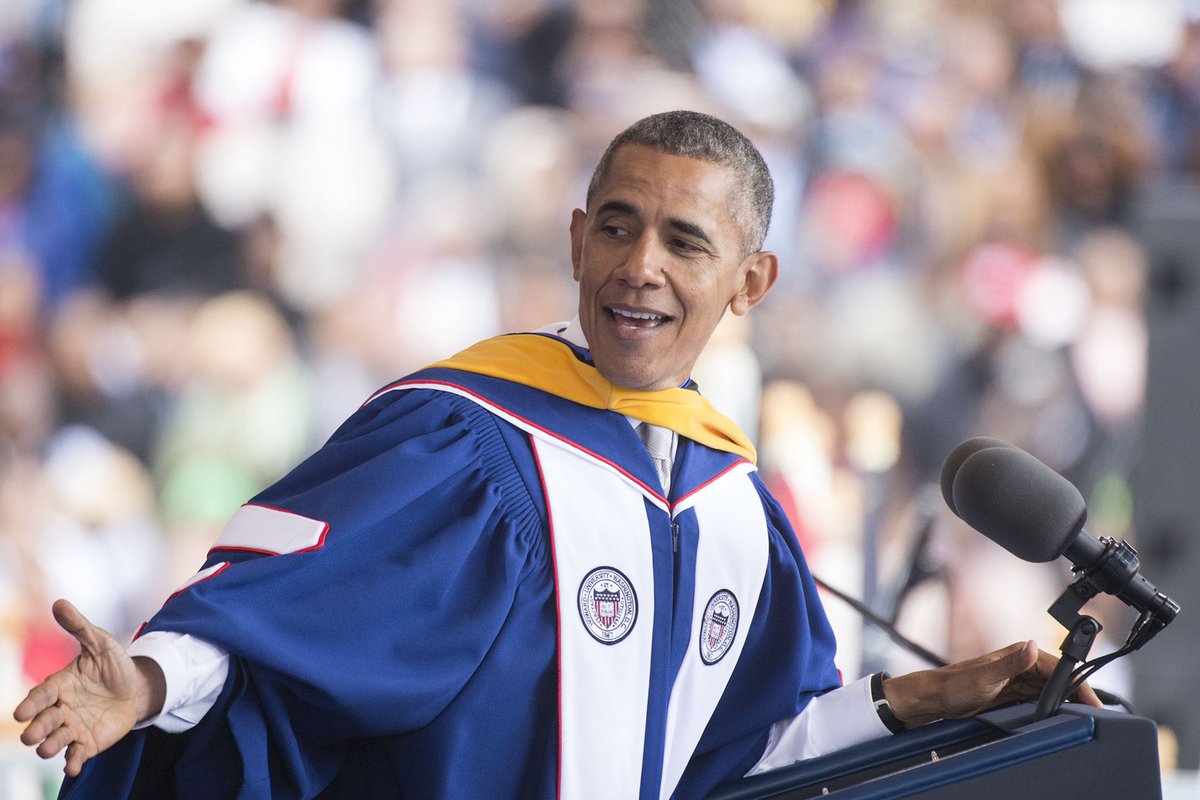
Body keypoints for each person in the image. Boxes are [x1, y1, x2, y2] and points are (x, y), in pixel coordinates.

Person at [14, 110, 1099, 799]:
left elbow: (739, 754)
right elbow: (293, 617)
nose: (639, 266)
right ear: (575, 238)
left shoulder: (734, 506)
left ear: (751, 282)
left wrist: (932, 693)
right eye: (617, 226)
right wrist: (153, 680)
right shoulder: (466, 439)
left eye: (686, 242)